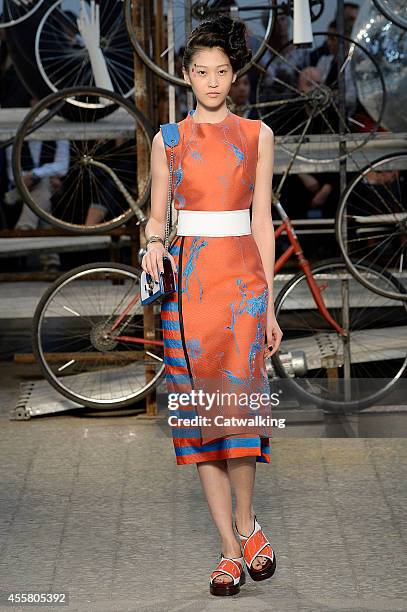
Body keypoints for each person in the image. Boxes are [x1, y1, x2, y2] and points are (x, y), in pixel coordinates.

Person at [141, 14, 283, 597]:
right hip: (189, 287)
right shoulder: (167, 140)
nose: (212, 81)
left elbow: (262, 221)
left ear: (235, 75)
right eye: (201, 72)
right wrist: (152, 244)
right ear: (185, 75)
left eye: (221, 71)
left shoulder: (257, 136)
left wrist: (270, 305)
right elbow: (157, 216)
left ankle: (248, 527)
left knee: (240, 415)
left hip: (243, 287)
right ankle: (228, 549)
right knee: (204, 418)